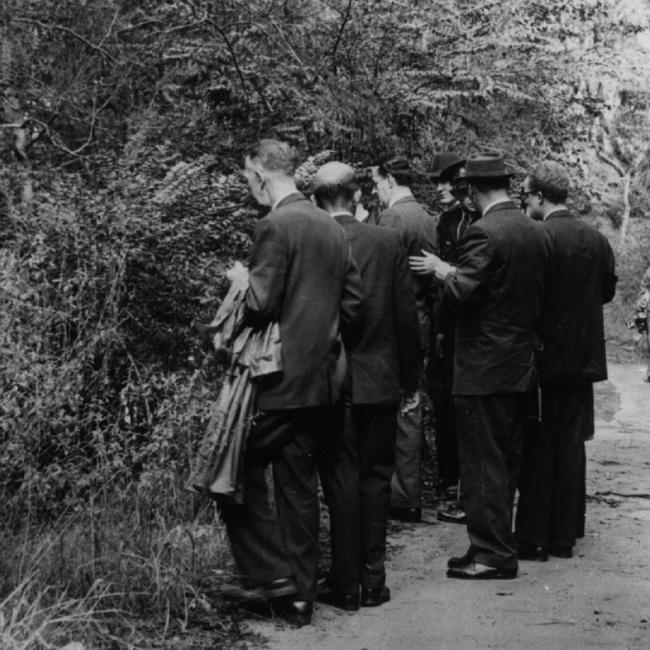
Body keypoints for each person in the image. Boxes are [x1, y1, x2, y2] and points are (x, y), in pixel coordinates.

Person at [219, 140, 363, 626]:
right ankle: (298, 599)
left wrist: (241, 278)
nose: (249, 187)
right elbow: (355, 306)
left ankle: (270, 574)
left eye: (247, 178)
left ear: (260, 174)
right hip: (324, 383)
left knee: (231, 469)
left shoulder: (274, 226)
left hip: (279, 383)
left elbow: (260, 303)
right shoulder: (334, 227)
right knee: (295, 480)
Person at [410, 152, 550, 579]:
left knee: (482, 461)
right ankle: (492, 545)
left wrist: (440, 271)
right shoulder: (536, 231)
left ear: (471, 189)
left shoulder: (483, 233)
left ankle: (491, 553)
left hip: (483, 365)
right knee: (505, 458)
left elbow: (462, 294)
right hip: (519, 363)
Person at [311, 161, 420, 610]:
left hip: (327, 383)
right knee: (376, 479)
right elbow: (405, 317)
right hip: (380, 380)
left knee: (339, 482)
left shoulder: (313, 241)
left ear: (317, 200)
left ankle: (344, 581)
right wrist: (411, 380)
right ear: (356, 197)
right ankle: (373, 578)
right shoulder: (387, 241)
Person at [515, 161, 617, 560]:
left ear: (540, 196)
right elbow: (605, 291)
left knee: (538, 444)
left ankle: (535, 536)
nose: (526, 202)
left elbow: (529, 297)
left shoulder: (540, 237)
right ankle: (564, 535)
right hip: (582, 358)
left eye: (527, 195)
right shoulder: (595, 238)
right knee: (572, 444)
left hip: (543, 358)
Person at [371, 157, 438, 523]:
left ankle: (400, 493)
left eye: (377, 183)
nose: (376, 191)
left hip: (396, 328)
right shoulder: (426, 218)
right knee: (411, 406)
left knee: (398, 411)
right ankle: (406, 491)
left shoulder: (392, 219)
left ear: (391, 179)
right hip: (421, 323)